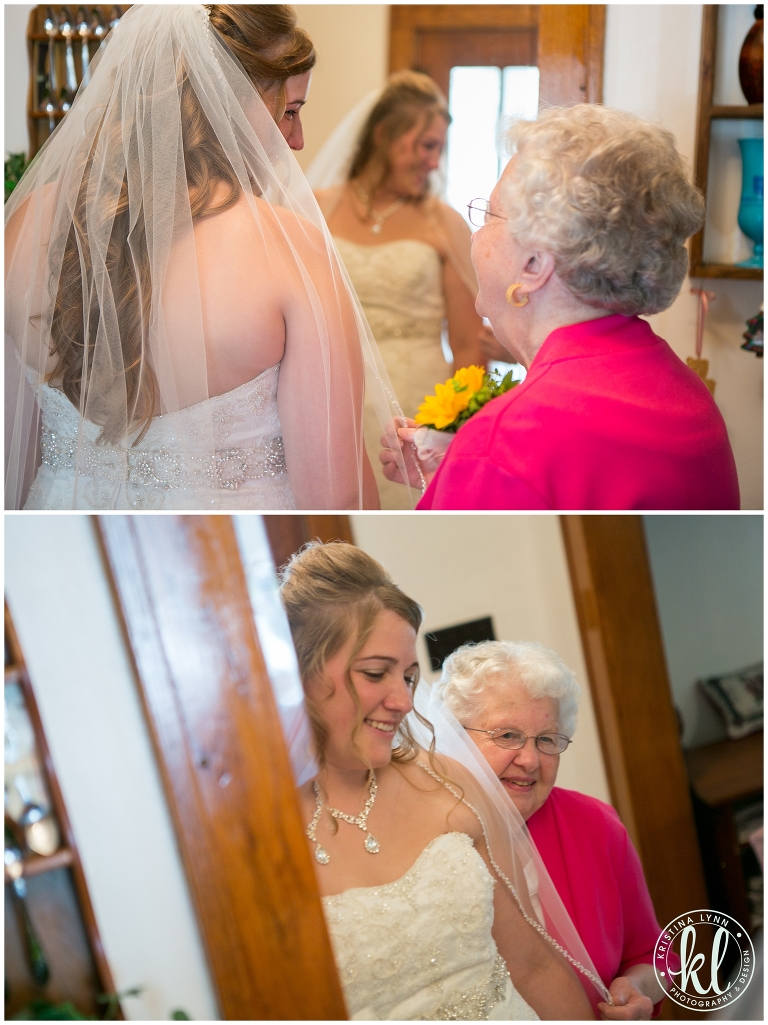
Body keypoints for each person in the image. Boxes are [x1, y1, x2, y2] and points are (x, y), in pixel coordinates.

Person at [5, 5, 407, 510]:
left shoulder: (25, 226)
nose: (297, 141)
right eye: (290, 111)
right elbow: (335, 494)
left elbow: (14, 456)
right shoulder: (288, 249)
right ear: (230, 102)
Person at [278, 542, 608, 1020]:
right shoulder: (260, 845)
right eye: (376, 673)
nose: (404, 701)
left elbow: (534, 965)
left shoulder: (450, 786)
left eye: (409, 677)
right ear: (300, 673)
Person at [380, 104, 740, 510]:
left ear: (533, 266)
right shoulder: (686, 392)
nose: (475, 235)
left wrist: (478, 463)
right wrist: (458, 476)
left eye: (488, 214)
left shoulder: (508, 441)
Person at [438, 640, 668, 1021]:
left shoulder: (595, 823)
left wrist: (639, 987)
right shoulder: (428, 842)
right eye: (507, 735)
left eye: (547, 740)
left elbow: (656, 956)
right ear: (455, 737)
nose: (529, 759)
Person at [308, 72, 485, 508]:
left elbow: (467, 344)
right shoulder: (316, 210)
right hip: (333, 397)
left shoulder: (443, 224)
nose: (433, 162)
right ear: (385, 136)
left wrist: (449, 434)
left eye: (439, 149)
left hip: (416, 402)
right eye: (427, 146)